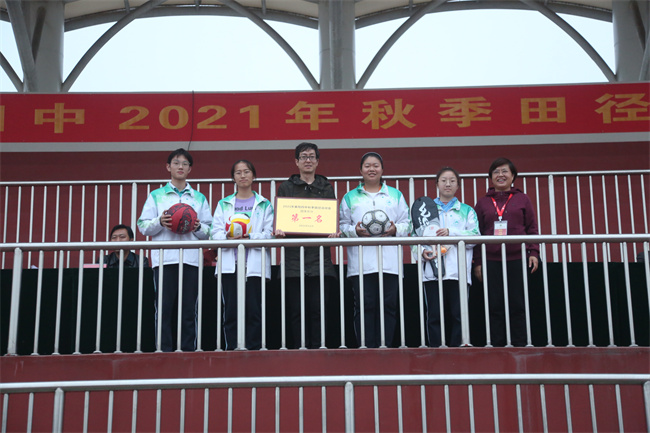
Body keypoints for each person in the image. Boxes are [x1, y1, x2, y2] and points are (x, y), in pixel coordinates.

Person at [137, 148, 212, 352]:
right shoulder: (156, 195)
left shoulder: (199, 197)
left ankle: (188, 351)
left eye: (185, 164)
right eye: (176, 163)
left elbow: (210, 231)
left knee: (189, 310)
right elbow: (143, 225)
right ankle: (163, 351)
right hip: (164, 259)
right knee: (164, 308)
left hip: (191, 260)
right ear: (168, 167)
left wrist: (197, 226)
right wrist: (160, 221)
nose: (180, 167)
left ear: (190, 169)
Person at [339, 152, 411, 348]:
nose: (372, 169)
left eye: (376, 165)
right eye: (367, 166)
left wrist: (396, 229)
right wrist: (355, 231)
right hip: (361, 263)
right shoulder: (350, 197)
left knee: (389, 306)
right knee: (365, 306)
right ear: (360, 170)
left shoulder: (395, 195)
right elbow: (342, 226)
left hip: (390, 262)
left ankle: (385, 347)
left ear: (382, 169)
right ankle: (365, 347)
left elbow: (407, 223)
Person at [275, 142, 338, 349]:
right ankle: (298, 351)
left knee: (319, 309)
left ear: (317, 161)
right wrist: (279, 229)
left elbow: (331, 220)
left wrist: (333, 230)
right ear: (296, 162)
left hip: (320, 259)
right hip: (294, 259)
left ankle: (319, 349)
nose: (308, 160)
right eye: (303, 157)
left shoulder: (326, 187)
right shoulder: (286, 187)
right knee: (296, 311)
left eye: (312, 157)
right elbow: (282, 219)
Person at [473, 157, 539, 347]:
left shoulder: (522, 199)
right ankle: (497, 345)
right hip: (491, 260)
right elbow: (476, 234)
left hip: (518, 258)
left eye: (504, 171)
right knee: (495, 305)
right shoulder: (483, 202)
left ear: (513, 176)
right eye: (496, 172)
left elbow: (532, 228)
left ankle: (520, 345)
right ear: (491, 177)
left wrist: (534, 252)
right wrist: (478, 262)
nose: (500, 175)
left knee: (518, 304)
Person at [412, 167, 479, 347]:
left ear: (458, 185)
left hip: (458, 271)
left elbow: (475, 236)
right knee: (434, 314)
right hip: (432, 272)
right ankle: (435, 349)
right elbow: (413, 236)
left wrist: (451, 233)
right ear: (437, 184)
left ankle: (459, 348)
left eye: (452, 181)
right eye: (443, 180)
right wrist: (421, 252)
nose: (447, 184)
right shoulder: (425, 210)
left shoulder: (467, 210)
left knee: (459, 314)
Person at [211, 160, 274, 350]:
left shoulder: (264, 204)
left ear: (254, 176)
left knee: (254, 310)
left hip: (254, 265)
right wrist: (228, 237)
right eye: (238, 172)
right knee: (231, 311)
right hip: (230, 265)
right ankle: (232, 348)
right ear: (233, 178)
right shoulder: (224, 203)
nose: (243, 176)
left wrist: (250, 237)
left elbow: (269, 233)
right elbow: (214, 233)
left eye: (246, 172)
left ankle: (254, 349)